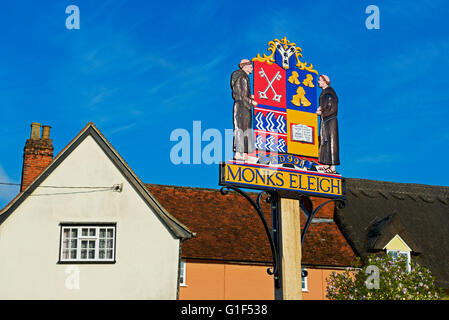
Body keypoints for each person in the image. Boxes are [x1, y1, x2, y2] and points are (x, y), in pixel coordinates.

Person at [230, 59, 258, 161]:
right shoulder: (242, 77)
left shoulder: (244, 77)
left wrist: (250, 96)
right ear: (245, 66)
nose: (252, 68)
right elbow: (240, 94)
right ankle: (239, 153)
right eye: (250, 66)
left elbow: (243, 93)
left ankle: (245, 154)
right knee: (241, 128)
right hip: (242, 106)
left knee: (246, 128)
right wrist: (251, 101)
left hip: (244, 105)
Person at [316, 74, 340, 173]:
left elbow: (332, 109)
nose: (318, 82)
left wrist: (322, 113)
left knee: (331, 141)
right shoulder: (324, 93)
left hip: (329, 121)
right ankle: (326, 164)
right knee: (324, 141)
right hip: (325, 120)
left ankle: (332, 166)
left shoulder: (329, 93)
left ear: (325, 81)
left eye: (320, 80)